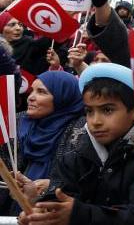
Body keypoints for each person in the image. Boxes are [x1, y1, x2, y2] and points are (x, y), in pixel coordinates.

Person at [19, 63, 134, 224]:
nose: (95, 121)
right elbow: (61, 196)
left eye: (107, 110)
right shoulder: (76, 151)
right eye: (89, 111)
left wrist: (80, 214)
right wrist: (43, 212)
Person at [0, 71, 84, 215]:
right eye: (32, 90)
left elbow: (82, 185)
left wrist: (50, 187)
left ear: (62, 97)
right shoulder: (17, 123)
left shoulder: (81, 132)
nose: (31, 97)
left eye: (41, 92)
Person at [0, 12, 64, 79]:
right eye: (12, 25)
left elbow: (51, 41)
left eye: (20, 24)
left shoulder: (29, 44)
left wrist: (60, 24)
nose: (18, 28)